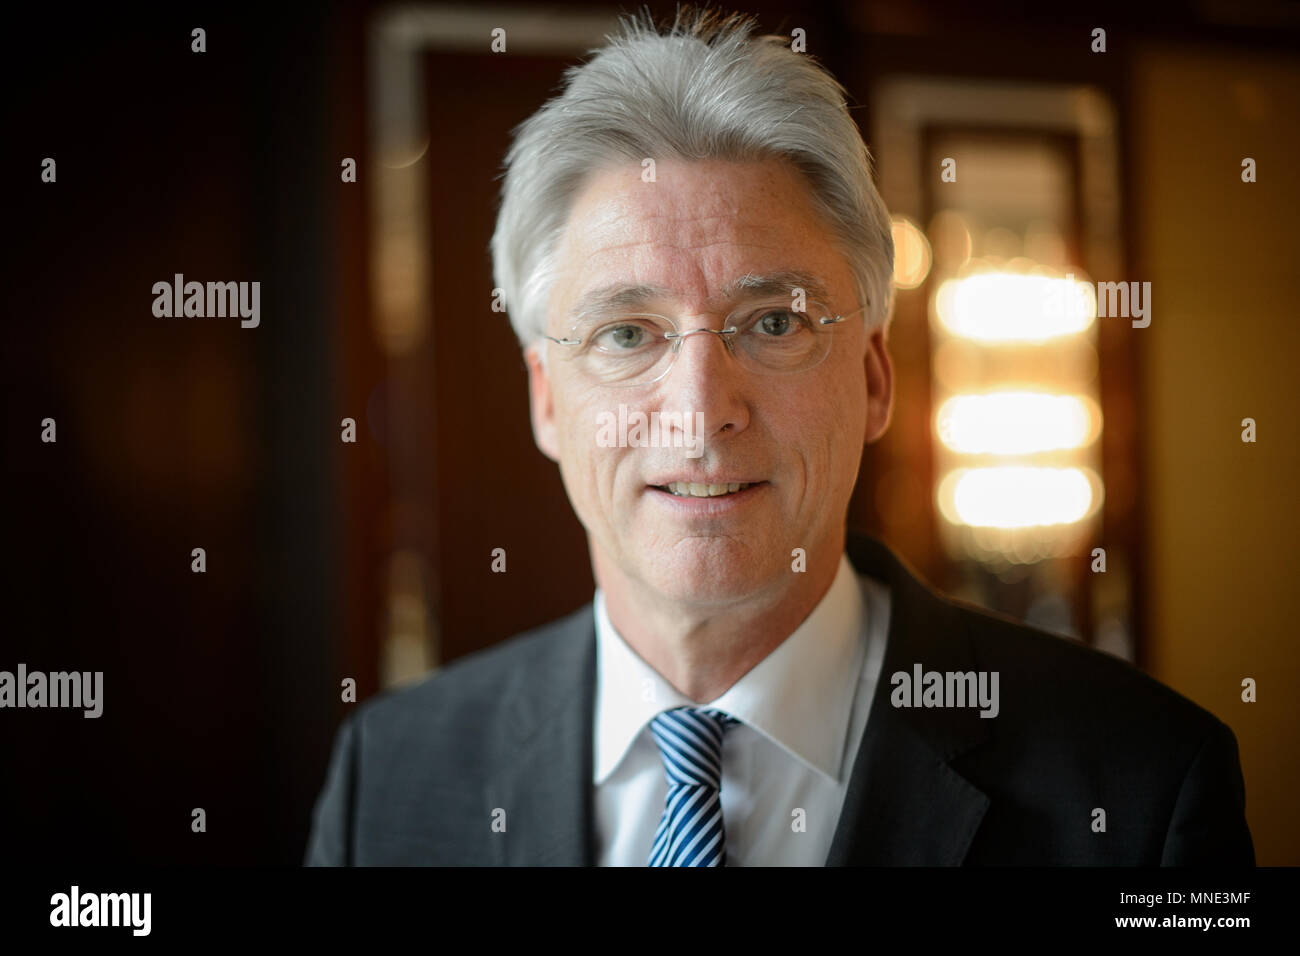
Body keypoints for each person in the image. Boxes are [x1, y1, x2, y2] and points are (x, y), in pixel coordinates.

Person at [304, 7, 1252, 866]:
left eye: (773, 323)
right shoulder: (390, 777)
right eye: (626, 334)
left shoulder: (1141, 789)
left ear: (875, 379)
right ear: (547, 399)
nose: (700, 408)